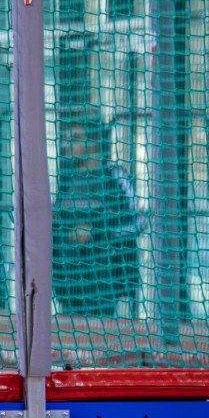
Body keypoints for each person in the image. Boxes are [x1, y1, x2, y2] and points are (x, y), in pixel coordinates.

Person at [51, 117, 142, 318]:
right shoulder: (67, 180)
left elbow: (138, 223)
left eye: (75, 138)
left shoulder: (114, 177)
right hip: (71, 287)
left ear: (93, 142)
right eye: (66, 139)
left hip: (109, 289)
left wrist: (96, 232)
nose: (67, 145)